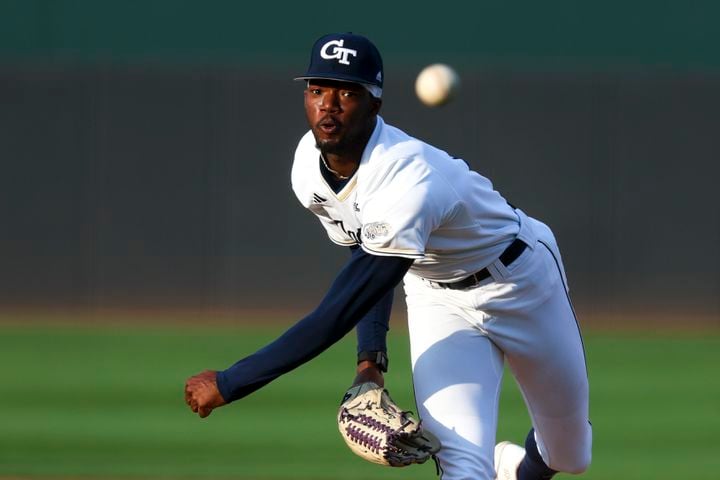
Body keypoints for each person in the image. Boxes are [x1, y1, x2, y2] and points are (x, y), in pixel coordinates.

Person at [184, 32, 592, 480]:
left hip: (521, 280)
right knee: (462, 468)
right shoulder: (308, 169)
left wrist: (232, 382)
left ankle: (516, 467)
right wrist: (369, 365)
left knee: (568, 456)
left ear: (374, 104)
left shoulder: (409, 178)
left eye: (348, 92)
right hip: (438, 298)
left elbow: (337, 311)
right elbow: (365, 260)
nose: (329, 104)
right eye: (317, 89)